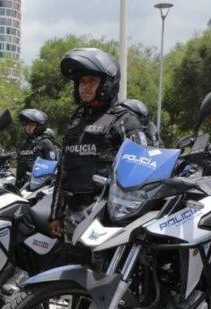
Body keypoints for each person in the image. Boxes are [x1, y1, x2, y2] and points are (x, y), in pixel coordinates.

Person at [48, 48, 147, 239]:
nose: (85, 86)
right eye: (82, 82)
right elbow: (62, 172)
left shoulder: (124, 120)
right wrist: (55, 214)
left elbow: (143, 171)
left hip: (108, 223)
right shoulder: (75, 122)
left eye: (92, 81)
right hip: (72, 219)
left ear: (107, 83)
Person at [16, 108, 60, 188]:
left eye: (31, 125)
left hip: (36, 188)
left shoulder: (45, 142)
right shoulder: (25, 143)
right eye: (27, 124)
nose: (28, 127)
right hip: (21, 185)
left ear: (40, 126)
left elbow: (51, 166)